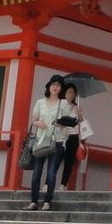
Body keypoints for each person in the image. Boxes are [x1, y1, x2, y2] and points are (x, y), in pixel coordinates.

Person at [27, 76, 70, 211]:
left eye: (58, 85)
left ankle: (47, 201)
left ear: (61, 88)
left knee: (51, 173)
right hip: (41, 139)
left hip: (56, 140)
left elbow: (66, 122)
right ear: (49, 86)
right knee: (37, 172)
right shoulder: (40, 102)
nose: (55, 87)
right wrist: (38, 123)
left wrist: (60, 123)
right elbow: (33, 120)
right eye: (53, 84)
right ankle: (33, 201)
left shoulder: (63, 103)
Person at [57, 80, 85, 191]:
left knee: (69, 162)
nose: (71, 94)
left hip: (73, 137)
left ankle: (63, 184)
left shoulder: (76, 107)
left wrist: (79, 114)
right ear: (64, 93)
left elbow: (82, 123)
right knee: (56, 160)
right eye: (68, 92)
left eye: (73, 93)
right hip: (61, 136)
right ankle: (47, 184)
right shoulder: (59, 105)